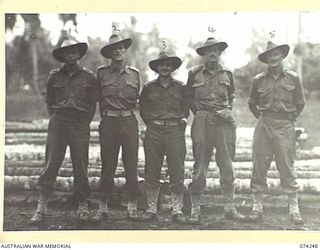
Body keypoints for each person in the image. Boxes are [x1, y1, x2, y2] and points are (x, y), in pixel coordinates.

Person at [30, 37, 97, 223]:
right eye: (67, 52)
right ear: (63, 56)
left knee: (81, 164)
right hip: (59, 123)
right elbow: (50, 102)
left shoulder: (89, 77)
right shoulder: (54, 77)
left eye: (74, 51)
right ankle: (41, 207)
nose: (71, 55)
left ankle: (83, 206)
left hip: (79, 124)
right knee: (51, 163)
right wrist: (56, 118)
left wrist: (83, 122)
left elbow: (92, 105)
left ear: (79, 54)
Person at [186, 37, 246, 224]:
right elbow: (188, 97)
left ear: (220, 52)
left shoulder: (227, 73)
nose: (212, 53)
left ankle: (229, 207)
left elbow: (231, 95)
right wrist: (202, 113)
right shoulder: (194, 73)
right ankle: (196, 209)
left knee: (227, 164)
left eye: (216, 50)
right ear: (204, 53)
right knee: (200, 165)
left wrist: (224, 112)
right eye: (208, 50)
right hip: (202, 120)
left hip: (223, 122)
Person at [247, 41, 305, 225]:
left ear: (282, 56)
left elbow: (300, 102)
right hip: (264, 123)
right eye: (269, 56)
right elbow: (251, 103)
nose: (273, 58)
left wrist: (288, 119)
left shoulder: (293, 78)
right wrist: (263, 118)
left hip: (284, 124)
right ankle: (257, 207)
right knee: (259, 165)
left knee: (286, 165)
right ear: (265, 59)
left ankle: (294, 209)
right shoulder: (258, 79)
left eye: (276, 55)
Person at [93, 33, 141, 222]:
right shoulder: (102, 73)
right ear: (109, 53)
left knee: (131, 164)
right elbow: (97, 98)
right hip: (109, 123)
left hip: (129, 122)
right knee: (108, 165)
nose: (118, 51)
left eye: (121, 47)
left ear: (125, 50)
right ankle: (103, 205)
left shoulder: (135, 74)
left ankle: (132, 204)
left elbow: (138, 100)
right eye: (114, 49)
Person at [138, 51, 188, 223]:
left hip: (175, 131)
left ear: (173, 67)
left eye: (168, 64)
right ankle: (151, 208)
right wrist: (155, 123)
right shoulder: (148, 88)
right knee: (152, 170)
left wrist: (175, 123)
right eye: (162, 64)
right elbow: (143, 110)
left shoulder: (181, 87)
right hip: (154, 131)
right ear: (156, 68)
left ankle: (177, 210)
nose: (165, 67)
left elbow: (186, 109)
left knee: (177, 169)